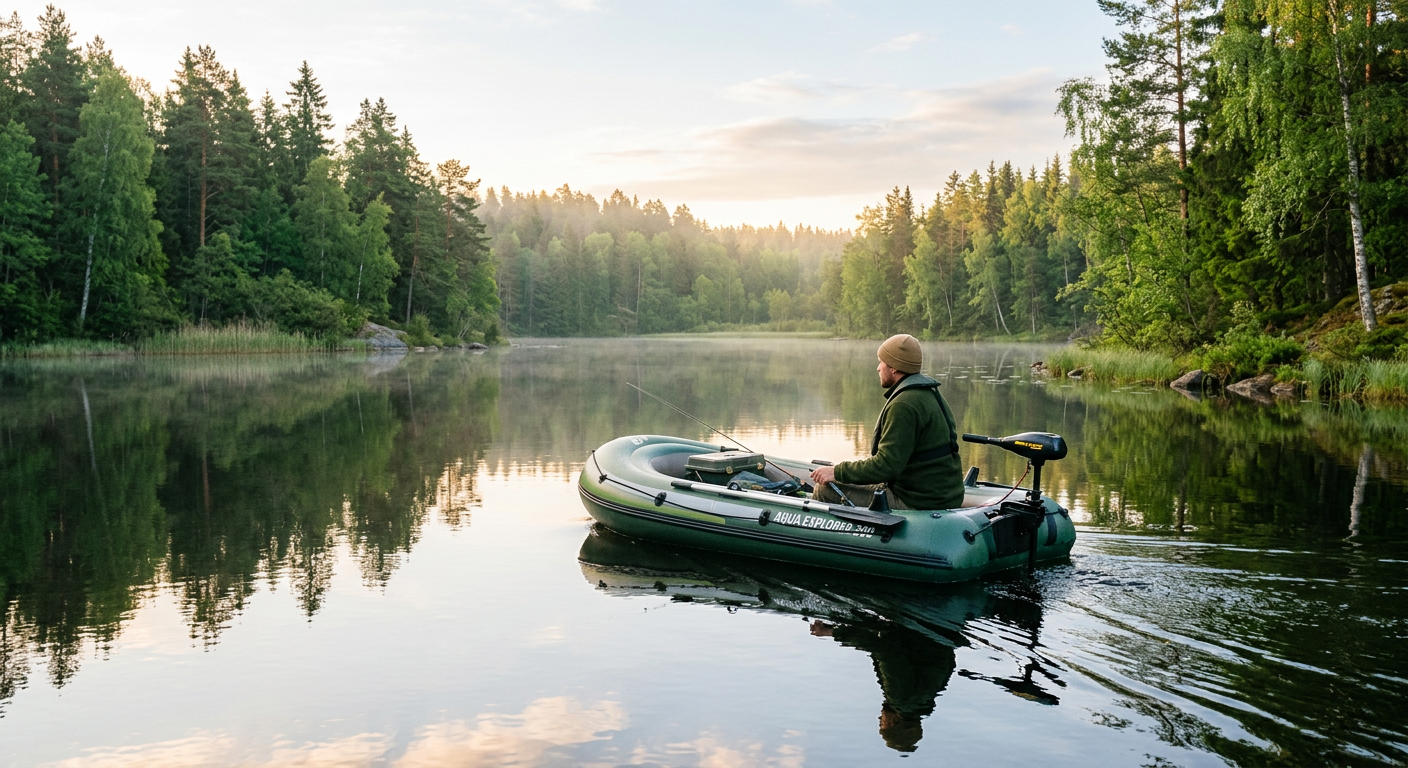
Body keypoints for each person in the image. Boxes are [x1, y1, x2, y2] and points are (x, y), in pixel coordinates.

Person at [808, 334, 965, 510]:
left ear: (894, 368)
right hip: (944, 496)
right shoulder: (929, 393)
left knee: (824, 489)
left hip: (918, 501)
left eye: (881, 362)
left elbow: (885, 466)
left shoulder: (904, 404)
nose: (878, 368)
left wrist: (837, 472)